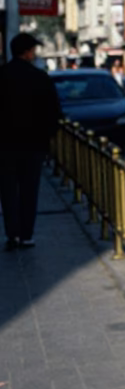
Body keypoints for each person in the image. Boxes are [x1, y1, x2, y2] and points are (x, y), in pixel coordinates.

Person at [0, 33, 63, 249]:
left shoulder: (2, 75)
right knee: (29, 190)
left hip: (5, 145)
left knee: (8, 191)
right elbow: (54, 113)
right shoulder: (40, 78)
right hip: (33, 145)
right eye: (33, 50)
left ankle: (12, 234)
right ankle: (26, 235)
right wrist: (48, 138)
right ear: (27, 52)